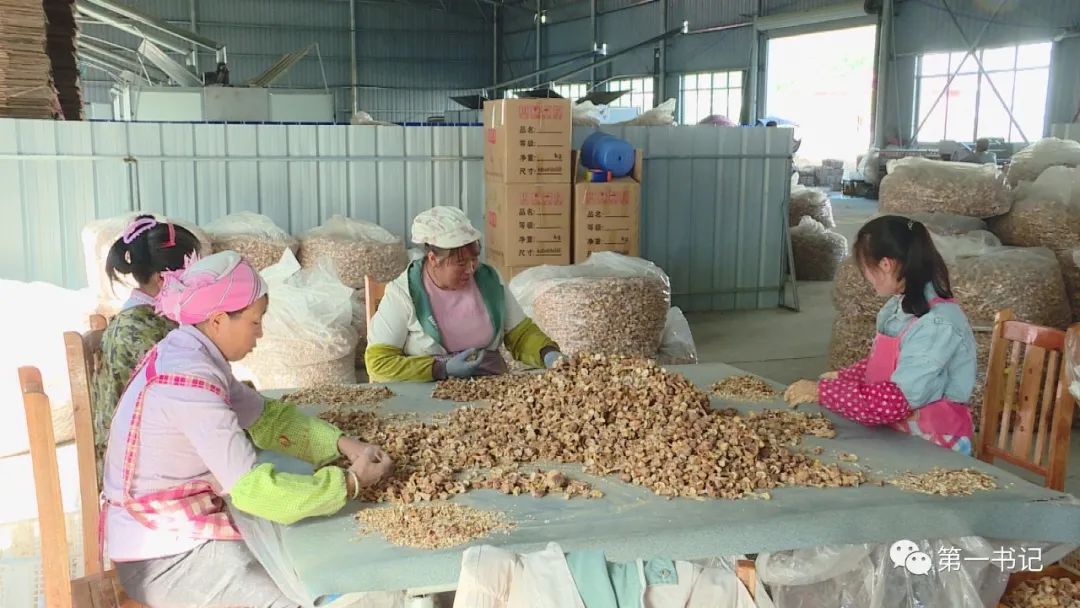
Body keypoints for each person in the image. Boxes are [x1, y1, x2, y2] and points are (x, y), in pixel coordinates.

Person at [101, 251, 393, 607]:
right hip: (161, 554)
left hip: (180, 525)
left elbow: (268, 418)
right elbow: (254, 491)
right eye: (255, 322)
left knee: (305, 557)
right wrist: (350, 482)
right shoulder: (188, 383)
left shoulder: (193, 351)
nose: (261, 333)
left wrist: (346, 446)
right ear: (220, 320)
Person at [784, 216, 977, 455]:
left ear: (885, 264)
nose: (865, 277)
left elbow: (896, 401)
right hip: (900, 430)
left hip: (935, 441)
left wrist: (822, 392)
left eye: (865, 267)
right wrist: (846, 377)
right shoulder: (902, 305)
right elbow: (890, 362)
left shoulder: (937, 324)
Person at [365, 206, 563, 383]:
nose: (470, 269)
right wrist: (440, 368)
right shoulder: (404, 293)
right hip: (427, 391)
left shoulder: (489, 280)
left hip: (490, 382)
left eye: (474, 260)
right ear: (434, 259)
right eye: (460, 264)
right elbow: (379, 363)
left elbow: (520, 334)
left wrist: (547, 353)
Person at [91, 216, 201, 480]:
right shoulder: (140, 330)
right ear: (164, 279)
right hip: (133, 468)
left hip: (147, 448)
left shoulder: (152, 319)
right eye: (195, 274)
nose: (199, 283)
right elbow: (184, 399)